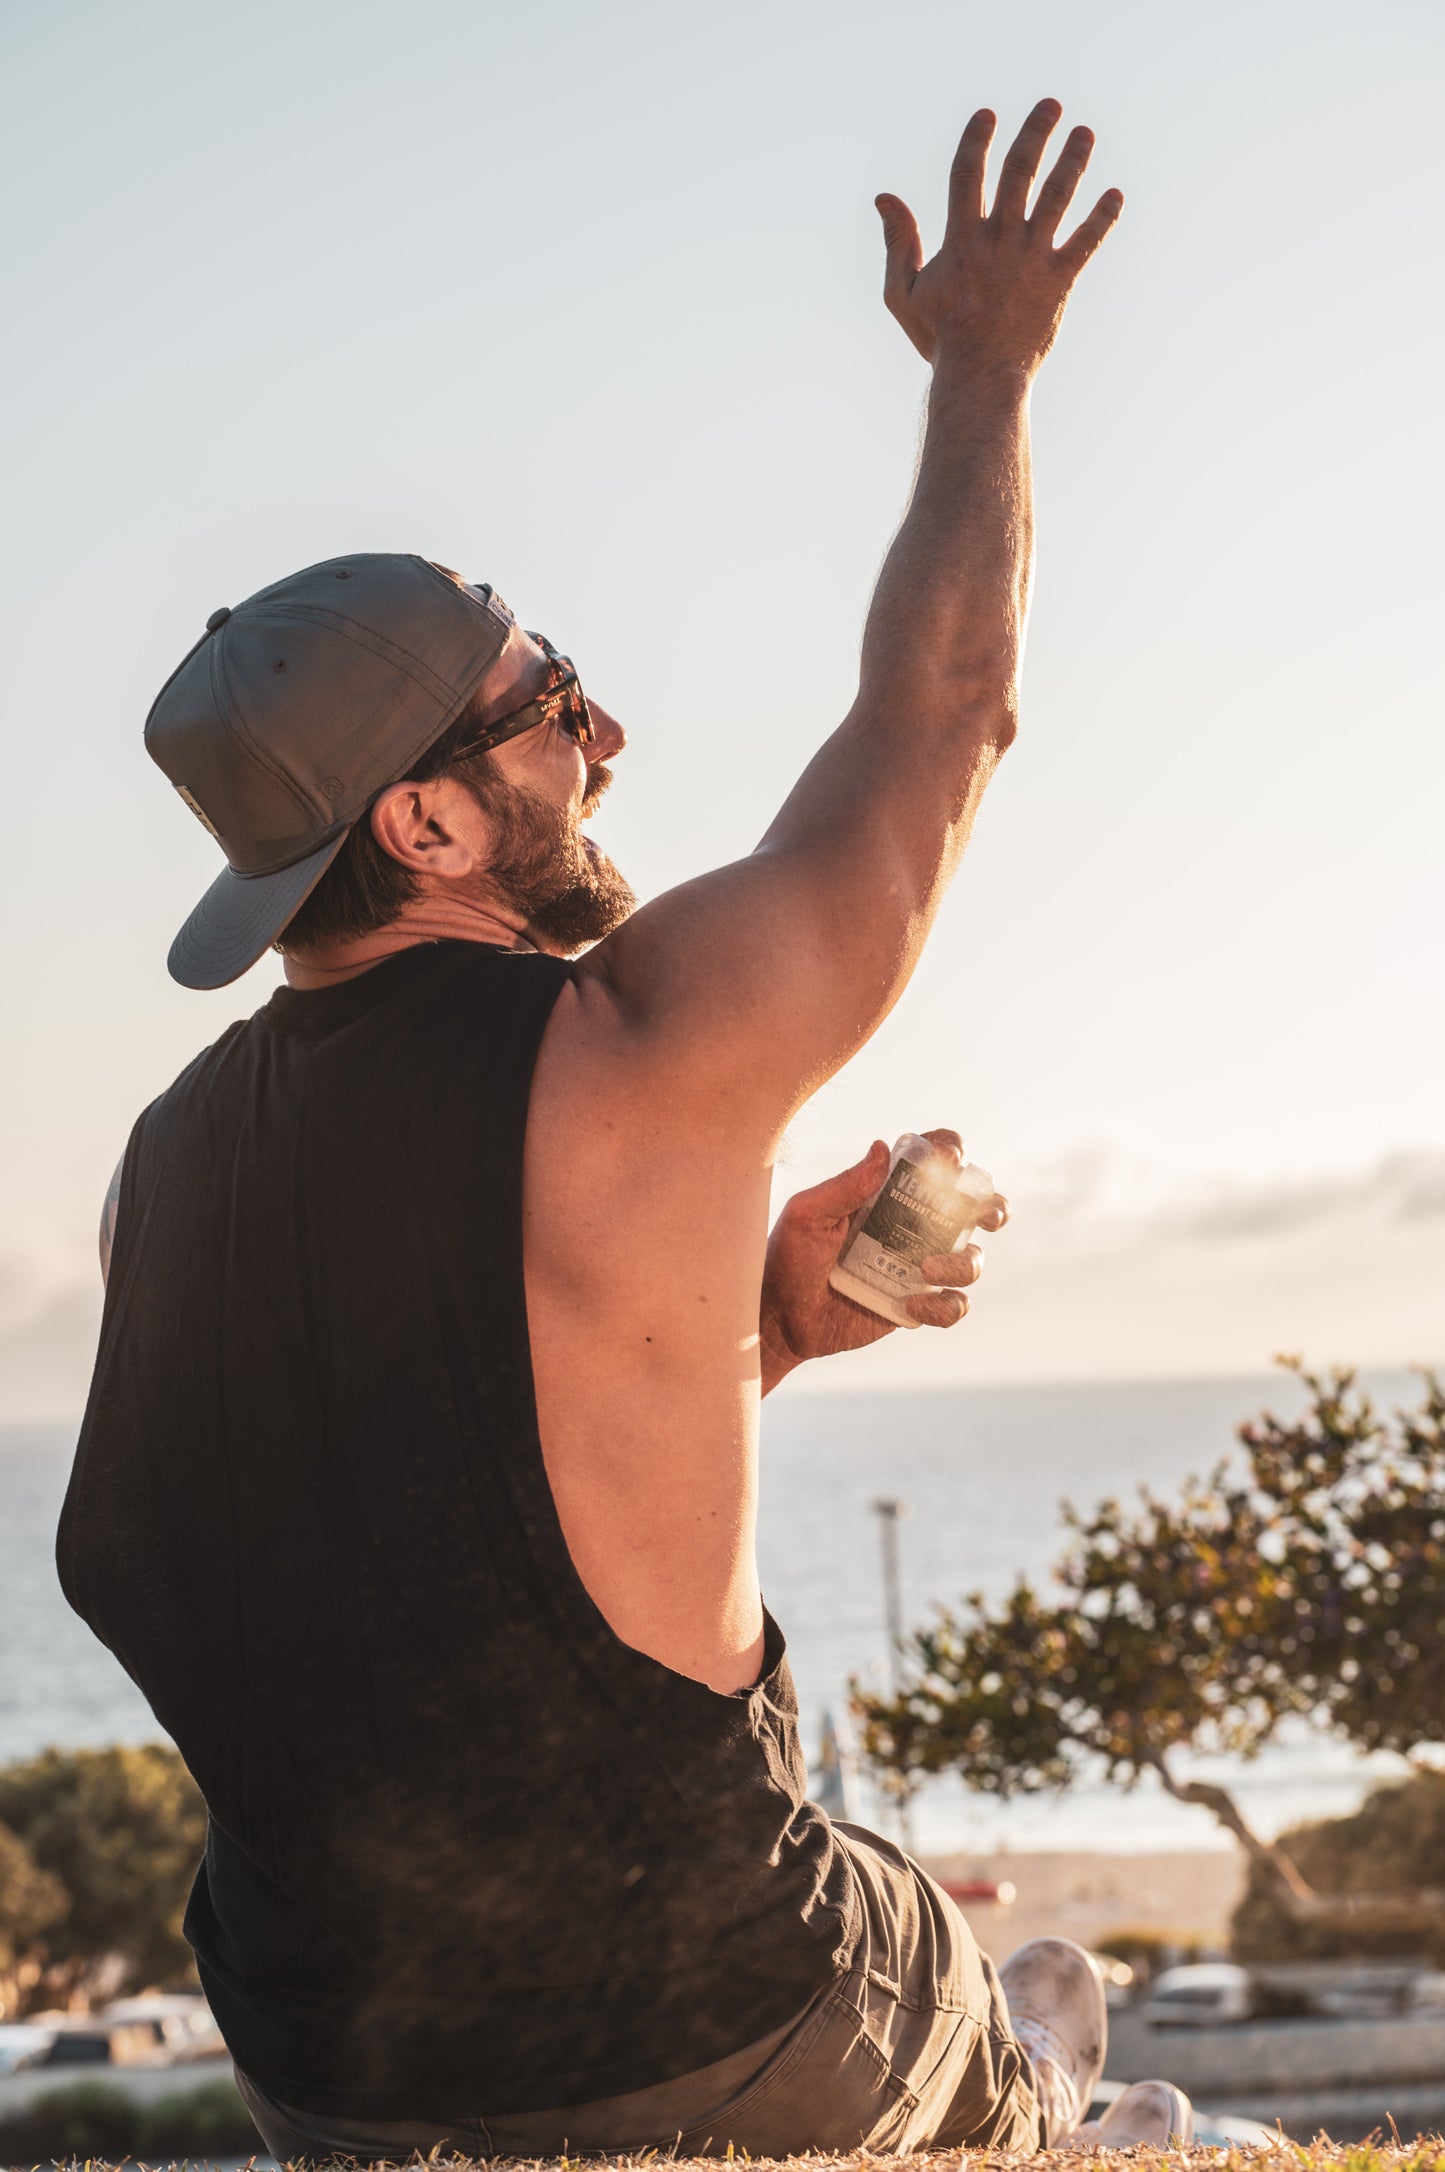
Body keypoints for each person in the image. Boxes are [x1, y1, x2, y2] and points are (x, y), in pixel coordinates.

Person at [60, 101, 1193, 2157]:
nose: (605, 739)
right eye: (551, 707)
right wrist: (988, 368)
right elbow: (942, 721)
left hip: (339, 2097)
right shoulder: (633, 1039)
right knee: (944, 1978)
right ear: (425, 823)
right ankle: (1077, 2119)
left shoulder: (163, 1172)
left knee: (929, 1937)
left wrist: (766, 1325)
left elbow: (425, 1547)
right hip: (709, 2045)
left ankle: (1028, 2060)